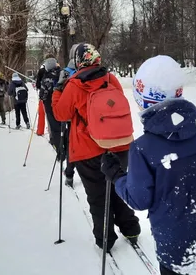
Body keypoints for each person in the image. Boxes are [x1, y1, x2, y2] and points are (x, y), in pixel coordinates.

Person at [101, 55, 196, 275]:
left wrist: (116, 174)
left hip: (179, 256)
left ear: (144, 100)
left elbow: (138, 198)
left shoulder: (143, 148)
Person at [52, 43, 140, 251]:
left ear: (79, 60)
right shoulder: (111, 79)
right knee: (117, 187)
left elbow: (61, 114)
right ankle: (131, 228)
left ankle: (105, 239)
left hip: (88, 149)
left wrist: (58, 90)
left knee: (98, 196)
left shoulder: (74, 84)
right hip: (119, 145)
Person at [39, 57, 62, 158]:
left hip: (50, 105)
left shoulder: (47, 77)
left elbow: (43, 93)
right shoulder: (62, 74)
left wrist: (42, 97)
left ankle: (60, 152)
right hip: (63, 104)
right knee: (63, 127)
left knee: (55, 128)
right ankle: (67, 146)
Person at [62, 58, 77, 188]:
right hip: (86, 119)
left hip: (71, 119)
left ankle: (69, 174)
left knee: (71, 146)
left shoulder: (66, 78)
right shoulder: (85, 76)